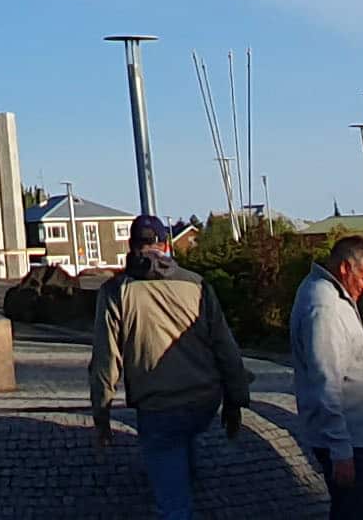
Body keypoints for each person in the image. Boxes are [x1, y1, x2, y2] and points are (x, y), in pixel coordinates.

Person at [87, 214, 252, 520]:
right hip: (204, 400)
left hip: (159, 405)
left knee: (173, 502)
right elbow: (225, 347)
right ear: (165, 244)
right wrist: (235, 402)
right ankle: (187, 481)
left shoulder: (116, 291)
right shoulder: (197, 284)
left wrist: (102, 414)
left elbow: (105, 359)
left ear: (131, 246)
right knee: (183, 447)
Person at [289, 232, 363, 520]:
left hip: (353, 436)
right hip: (348, 440)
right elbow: (326, 382)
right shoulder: (325, 307)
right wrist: (340, 449)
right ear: (346, 268)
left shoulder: (331, 295)